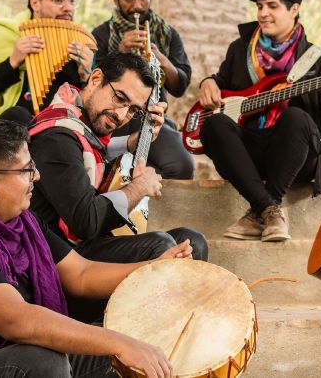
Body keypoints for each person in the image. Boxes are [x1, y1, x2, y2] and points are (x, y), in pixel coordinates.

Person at [0, 118, 187, 378]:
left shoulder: (22, 221)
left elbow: (82, 273)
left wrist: (155, 268)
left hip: (14, 353)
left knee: (131, 349)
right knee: (46, 361)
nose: (36, 177)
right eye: (27, 169)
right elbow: (19, 322)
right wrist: (121, 342)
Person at [28, 51, 207, 321]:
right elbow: (86, 221)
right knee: (160, 248)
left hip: (85, 249)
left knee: (192, 242)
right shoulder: (56, 136)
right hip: (60, 268)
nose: (122, 114)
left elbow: (90, 147)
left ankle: (169, 335)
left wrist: (134, 142)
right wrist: (138, 188)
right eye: (120, 98)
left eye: (134, 109)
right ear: (96, 78)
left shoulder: (78, 123)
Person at [198, 0, 321, 242]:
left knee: (296, 117)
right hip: (247, 157)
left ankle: (260, 210)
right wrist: (209, 83)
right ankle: (270, 210)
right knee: (214, 125)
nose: (263, 13)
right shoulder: (240, 50)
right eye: (259, 7)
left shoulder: (320, 60)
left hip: (295, 158)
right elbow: (223, 82)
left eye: (271, 6)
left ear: (294, 9)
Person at [91, 0, 194, 179]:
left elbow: (181, 86)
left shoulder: (167, 34)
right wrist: (119, 52)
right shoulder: (101, 34)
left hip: (153, 119)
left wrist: (161, 60)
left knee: (183, 166)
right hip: (112, 119)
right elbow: (90, 80)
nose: (137, 5)